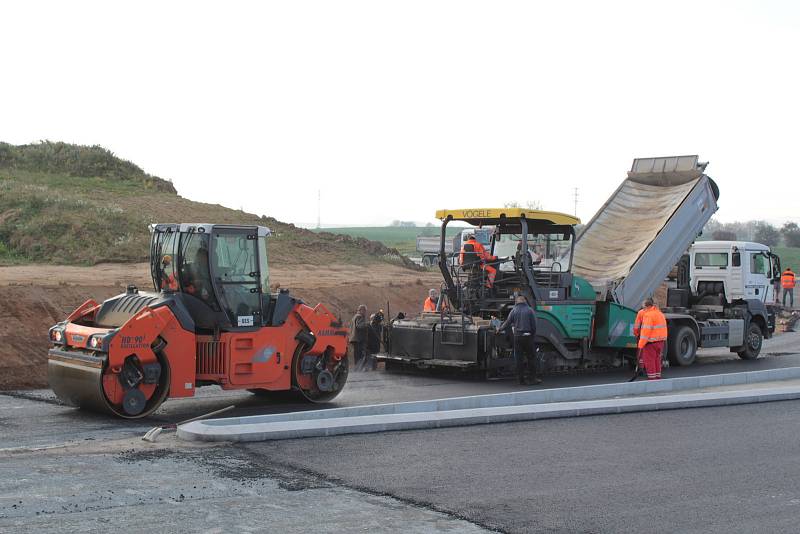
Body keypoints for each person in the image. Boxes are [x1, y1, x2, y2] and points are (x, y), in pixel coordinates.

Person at [497, 295, 541, 385]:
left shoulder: (514, 310)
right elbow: (534, 325)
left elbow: (507, 322)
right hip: (528, 336)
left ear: (516, 302)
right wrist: (532, 336)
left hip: (517, 337)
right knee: (531, 358)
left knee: (518, 359)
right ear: (525, 301)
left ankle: (521, 380)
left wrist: (499, 329)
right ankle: (532, 378)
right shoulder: (529, 310)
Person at [633, 297, 668, 380]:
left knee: (650, 361)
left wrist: (641, 344)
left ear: (647, 306)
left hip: (650, 342)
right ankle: (657, 376)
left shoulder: (648, 315)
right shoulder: (660, 314)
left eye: (643, 307)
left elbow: (645, 332)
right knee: (657, 359)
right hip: (660, 342)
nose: (643, 308)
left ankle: (652, 380)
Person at [349, 304, 368, 371]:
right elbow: (359, 326)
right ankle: (358, 368)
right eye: (365, 311)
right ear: (361, 310)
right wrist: (366, 324)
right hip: (358, 339)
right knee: (359, 354)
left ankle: (356, 367)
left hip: (354, 338)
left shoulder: (354, 317)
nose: (366, 312)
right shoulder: (360, 316)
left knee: (356, 354)